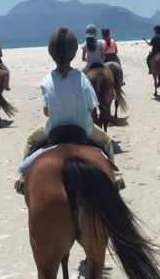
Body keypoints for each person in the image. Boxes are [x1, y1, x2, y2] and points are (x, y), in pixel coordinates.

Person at [15, 27, 125, 194]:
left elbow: (46, 113)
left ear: (51, 54)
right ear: (73, 54)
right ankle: (115, 175)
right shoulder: (82, 78)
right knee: (106, 141)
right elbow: (92, 108)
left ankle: (23, 178)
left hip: (54, 129)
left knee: (31, 141)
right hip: (84, 129)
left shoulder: (46, 80)